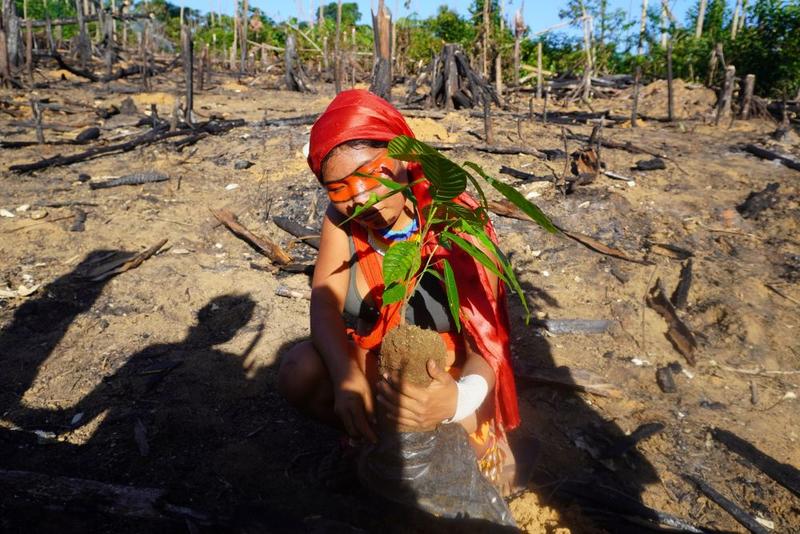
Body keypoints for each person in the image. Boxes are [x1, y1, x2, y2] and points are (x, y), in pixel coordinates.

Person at [278, 89, 521, 493]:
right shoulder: (344, 220)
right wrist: (345, 377)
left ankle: (469, 442)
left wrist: (456, 400)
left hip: (449, 374)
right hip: (381, 360)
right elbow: (324, 304)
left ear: (404, 158)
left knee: (455, 454)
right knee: (299, 371)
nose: (359, 199)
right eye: (338, 189)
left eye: (371, 175)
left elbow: (488, 346)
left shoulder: (455, 220)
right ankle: (375, 443)